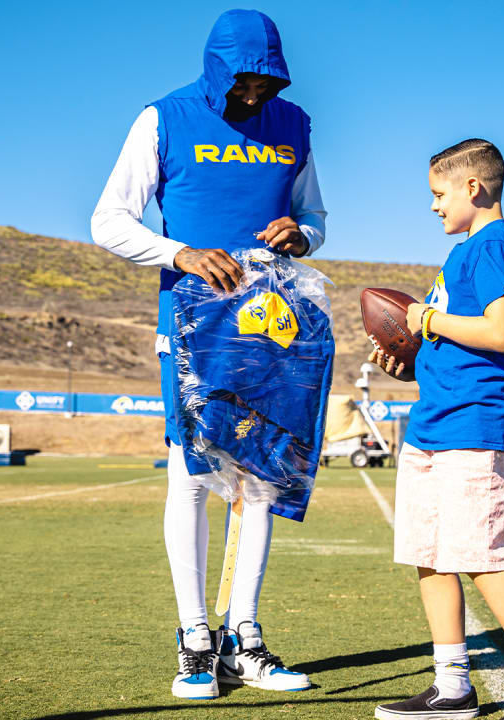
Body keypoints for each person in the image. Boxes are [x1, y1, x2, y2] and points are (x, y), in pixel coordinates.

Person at [90, 9, 325, 701]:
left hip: (274, 326)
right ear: (218, 68)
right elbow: (108, 220)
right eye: (244, 81)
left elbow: (317, 215)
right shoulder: (162, 119)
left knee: (261, 477)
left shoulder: (295, 124)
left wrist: (302, 234)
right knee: (192, 476)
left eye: (266, 81)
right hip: (192, 325)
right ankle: (196, 639)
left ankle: (243, 637)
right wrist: (180, 254)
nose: (255, 94)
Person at [369, 139, 504, 720]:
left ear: (474, 188)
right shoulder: (466, 252)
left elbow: (500, 333)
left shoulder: (493, 246)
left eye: (439, 194)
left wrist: (429, 319)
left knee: (482, 555)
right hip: (433, 422)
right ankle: (451, 687)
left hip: (472, 425)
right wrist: (414, 356)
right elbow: (465, 344)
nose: (434, 206)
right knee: (430, 554)